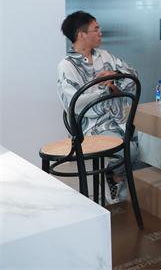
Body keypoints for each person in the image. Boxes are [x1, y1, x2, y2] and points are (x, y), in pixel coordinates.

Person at [57, 11, 139, 202]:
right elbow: (74, 104)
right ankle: (115, 177)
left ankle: (119, 181)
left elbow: (133, 76)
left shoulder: (105, 56)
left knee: (150, 143)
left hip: (118, 119)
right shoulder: (66, 66)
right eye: (96, 29)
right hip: (91, 127)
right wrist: (105, 88)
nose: (101, 32)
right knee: (129, 149)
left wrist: (115, 75)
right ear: (81, 35)